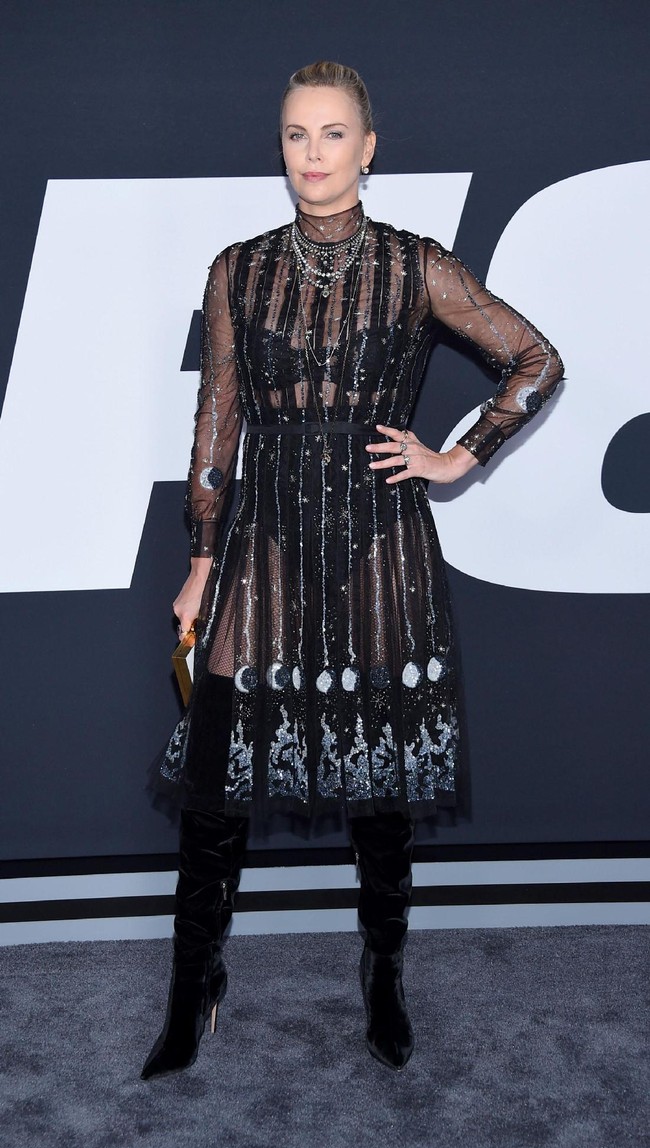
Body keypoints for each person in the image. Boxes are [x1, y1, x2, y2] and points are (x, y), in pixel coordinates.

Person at [141, 61, 564, 1080]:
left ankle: (382, 979)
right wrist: (202, 556)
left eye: (333, 135)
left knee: (382, 797)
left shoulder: (416, 264)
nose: (314, 155)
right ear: (279, 147)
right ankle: (192, 986)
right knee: (213, 790)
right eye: (296, 135)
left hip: (380, 548)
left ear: (368, 149)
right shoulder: (236, 269)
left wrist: (456, 454)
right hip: (264, 546)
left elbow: (535, 359)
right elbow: (217, 426)